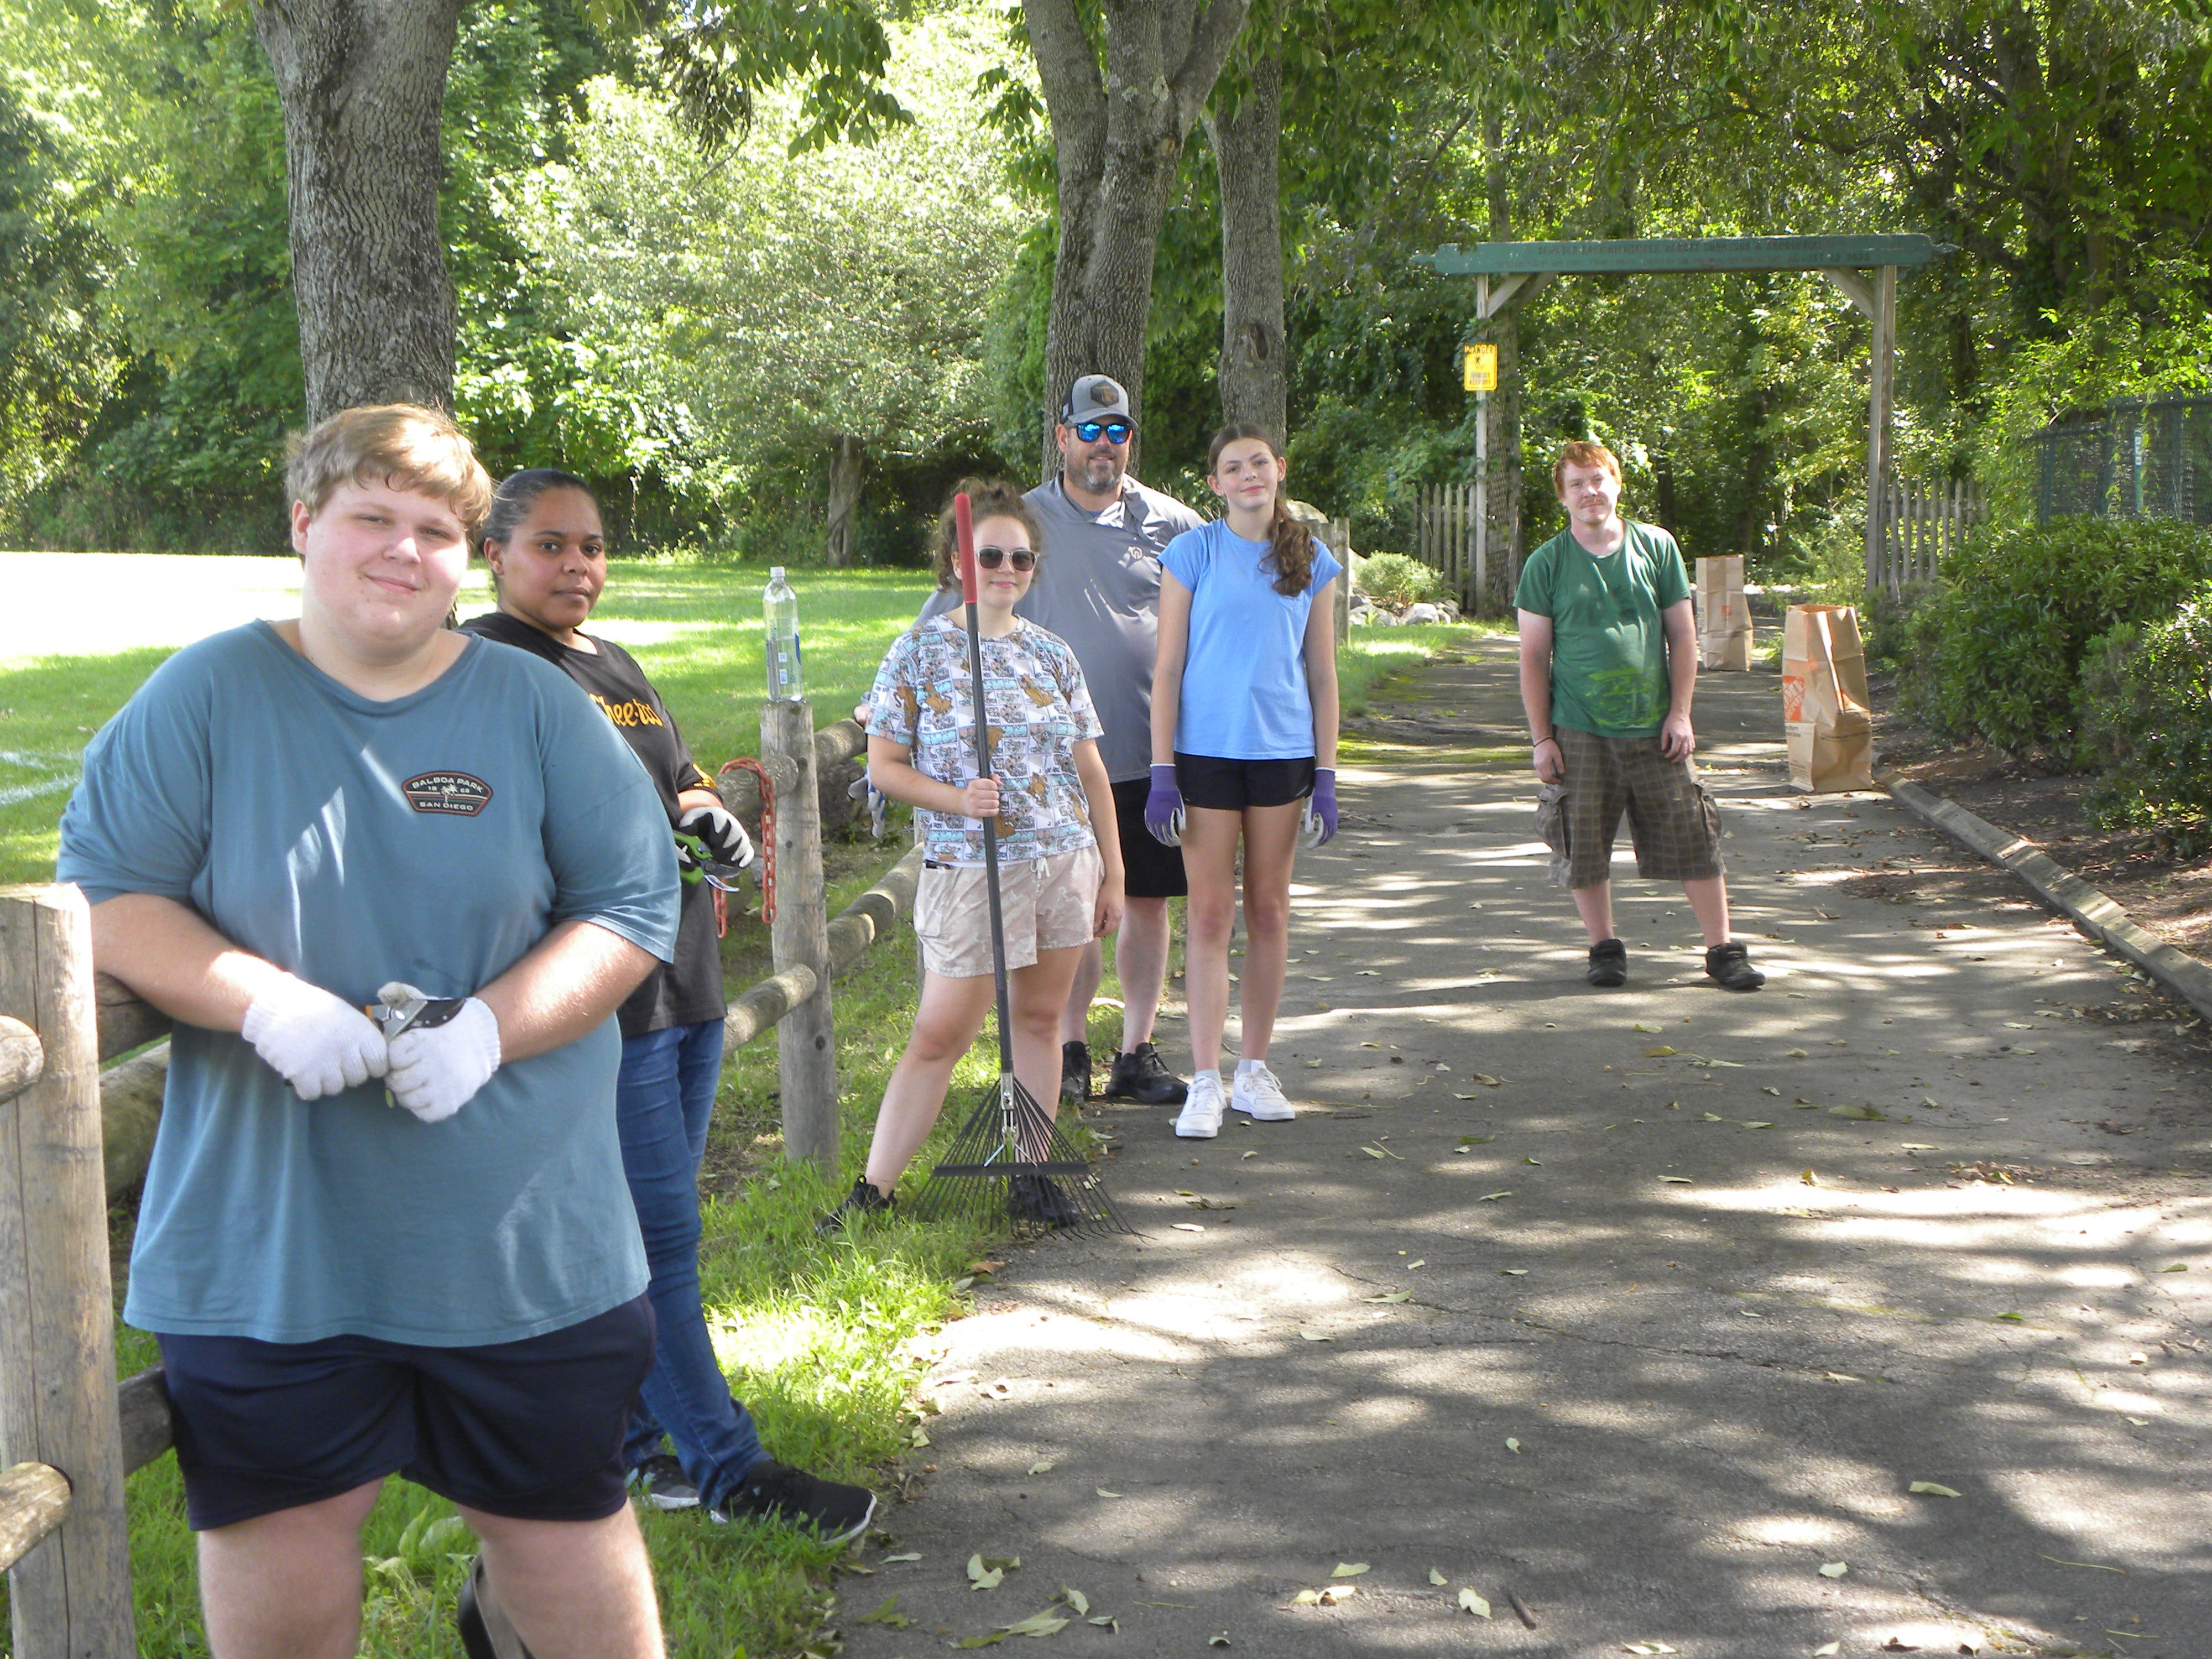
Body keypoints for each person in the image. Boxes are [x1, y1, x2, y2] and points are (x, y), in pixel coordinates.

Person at [57, 406, 678, 1659]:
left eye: (436, 529)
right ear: (304, 525)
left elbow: (633, 904)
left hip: (523, 1249)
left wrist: (492, 1029)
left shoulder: (534, 705)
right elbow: (108, 894)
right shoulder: (211, 694)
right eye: (372, 518)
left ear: (468, 553)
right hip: (275, 1254)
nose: (404, 551)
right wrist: (256, 995)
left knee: (573, 1580)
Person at [461, 469, 874, 1543]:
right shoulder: (490, 664)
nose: (577, 567)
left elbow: (678, 771)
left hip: (685, 977)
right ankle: (731, 1468)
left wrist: (703, 813)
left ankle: (642, 1450)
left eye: (591, 547)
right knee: (660, 1238)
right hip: (606, 995)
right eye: (550, 546)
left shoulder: (612, 660)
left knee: (641, 1239)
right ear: (496, 553)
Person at [820, 481, 1125, 1230]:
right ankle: (874, 1192)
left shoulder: (1052, 655)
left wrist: (1112, 870)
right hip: (969, 867)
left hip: (1062, 859)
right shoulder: (918, 653)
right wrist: (961, 800)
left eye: (1021, 557)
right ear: (958, 561)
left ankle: (1030, 1169)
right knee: (941, 1033)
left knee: (1041, 1017)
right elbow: (885, 768)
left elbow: (1089, 771)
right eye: (989, 554)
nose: (1006, 568)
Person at [917, 374, 1202, 1110]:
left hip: (1152, 752)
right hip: (1050, 765)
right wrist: (895, 697)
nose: (1104, 445)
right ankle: (1068, 1050)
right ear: (1063, 436)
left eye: (1118, 432)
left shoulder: (1175, 524)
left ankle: (1136, 1052)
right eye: (1091, 430)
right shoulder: (1025, 526)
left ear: (1129, 441)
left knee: (1144, 903)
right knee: (1073, 912)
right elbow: (945, 616)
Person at [1146, 424, 1341, 1139]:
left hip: (1282, 755)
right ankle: (1205, 1078)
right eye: (1234, 466)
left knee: (1269, 910)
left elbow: (1322, 675)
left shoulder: (1311, 560)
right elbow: (1167, 669)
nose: (1249, 474)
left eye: (1260, 462)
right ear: (1215, 483)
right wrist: (1163, 769)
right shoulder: (1191, 553)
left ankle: (1254, 1068)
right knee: (1208, 915)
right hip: (1204, 756)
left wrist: (1325, 774)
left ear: (1279, 470)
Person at [1514, 439, 1765, 992]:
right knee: (1581, 844)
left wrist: (1680, 714)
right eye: (1576, 483)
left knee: (1693, 835)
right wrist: (1540, 739)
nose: (1590, 492)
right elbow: (1533, 657)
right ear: (1563, 496)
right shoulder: (1546, 564)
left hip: (1654, 727)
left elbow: (1682, 635)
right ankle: (1604, 949)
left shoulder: (1656, 548)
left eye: (1598, 479)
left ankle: (1722, 950)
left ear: (1617, 484)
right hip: (1577, 728)